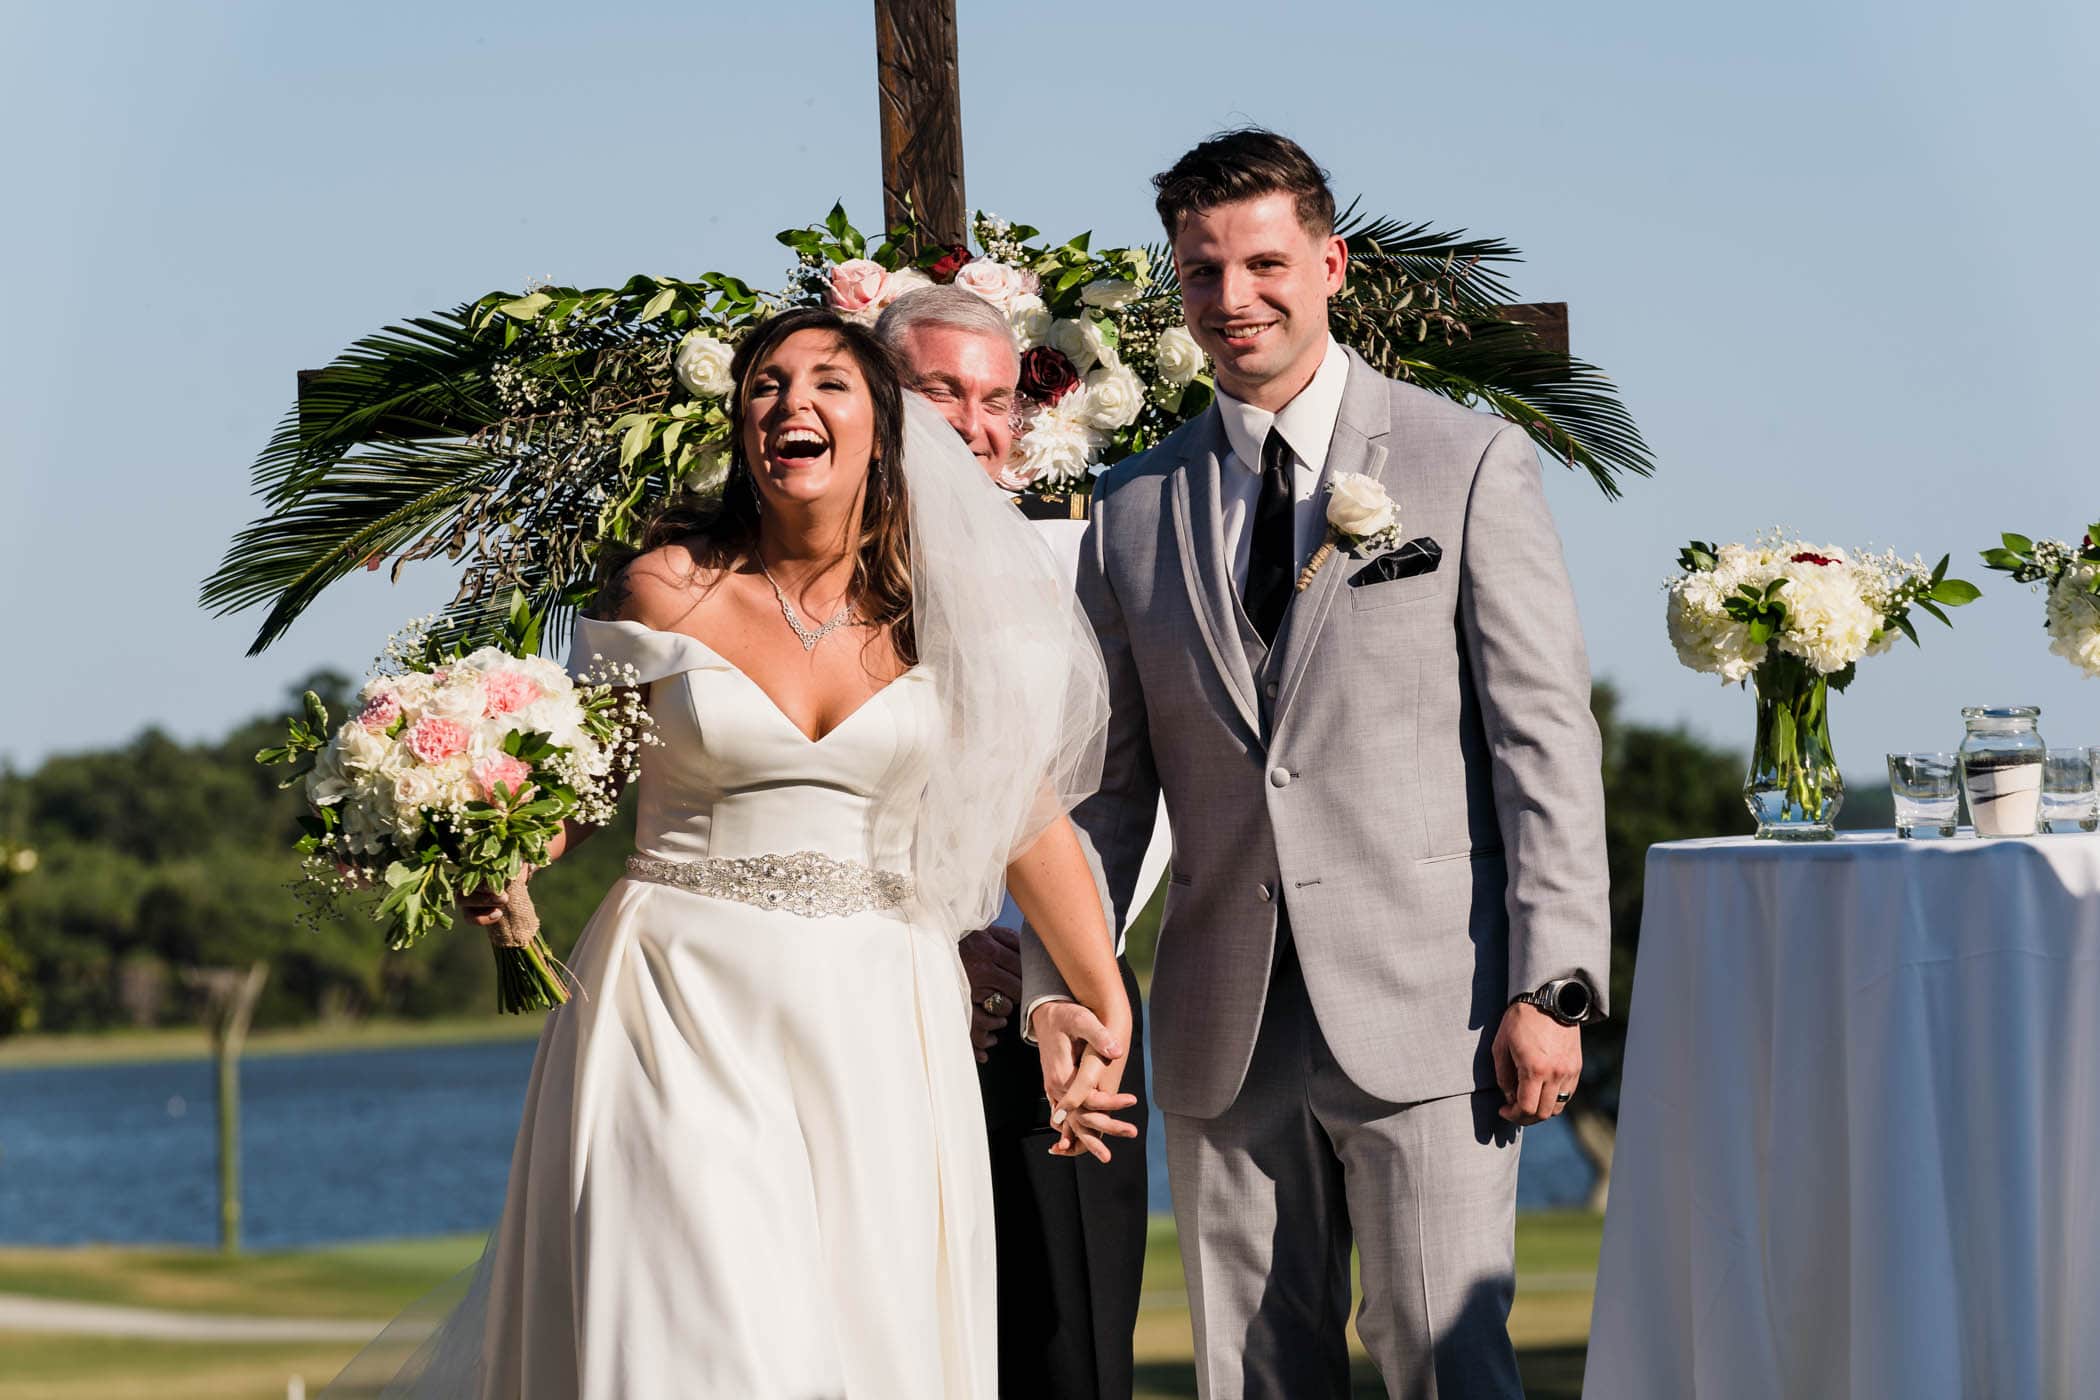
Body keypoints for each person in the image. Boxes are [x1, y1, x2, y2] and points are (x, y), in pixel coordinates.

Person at [333, 306, 1134, 1400]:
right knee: (701, 1334)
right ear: (741, 424)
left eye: (827, 384)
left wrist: (1098, 994)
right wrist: (497, 847)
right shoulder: (666, 587)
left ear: (882, 432)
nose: (790, 403)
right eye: (764, 385)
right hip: (677, 997)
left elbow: (1025, 811)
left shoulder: (942, 615)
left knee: (864, 1336)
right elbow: (583, 778)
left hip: (878, 1014)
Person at [1021, 130, 1611, 1399]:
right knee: (1253, 1375)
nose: (1234, 298)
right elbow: (1107, 788)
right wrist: (1058, 981)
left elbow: (1542, 740)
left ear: (1330, 263)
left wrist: (1552, 981)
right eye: (1201, 271)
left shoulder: (1467, 463)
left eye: (1264, 262)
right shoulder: (1132, 506)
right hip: (1221, 1023)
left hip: (1432, 1006)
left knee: (1443, 1359)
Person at [875, 284, 1168, 1400]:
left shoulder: (1074, 566)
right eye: (940, 389)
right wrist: (938, 940)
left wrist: (1048, 973)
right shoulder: (803, 570)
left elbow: (1105, 797)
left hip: (1061, 986)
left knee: (1068, 1345)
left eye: (995, 398)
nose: (973, 421)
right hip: (885, 994)